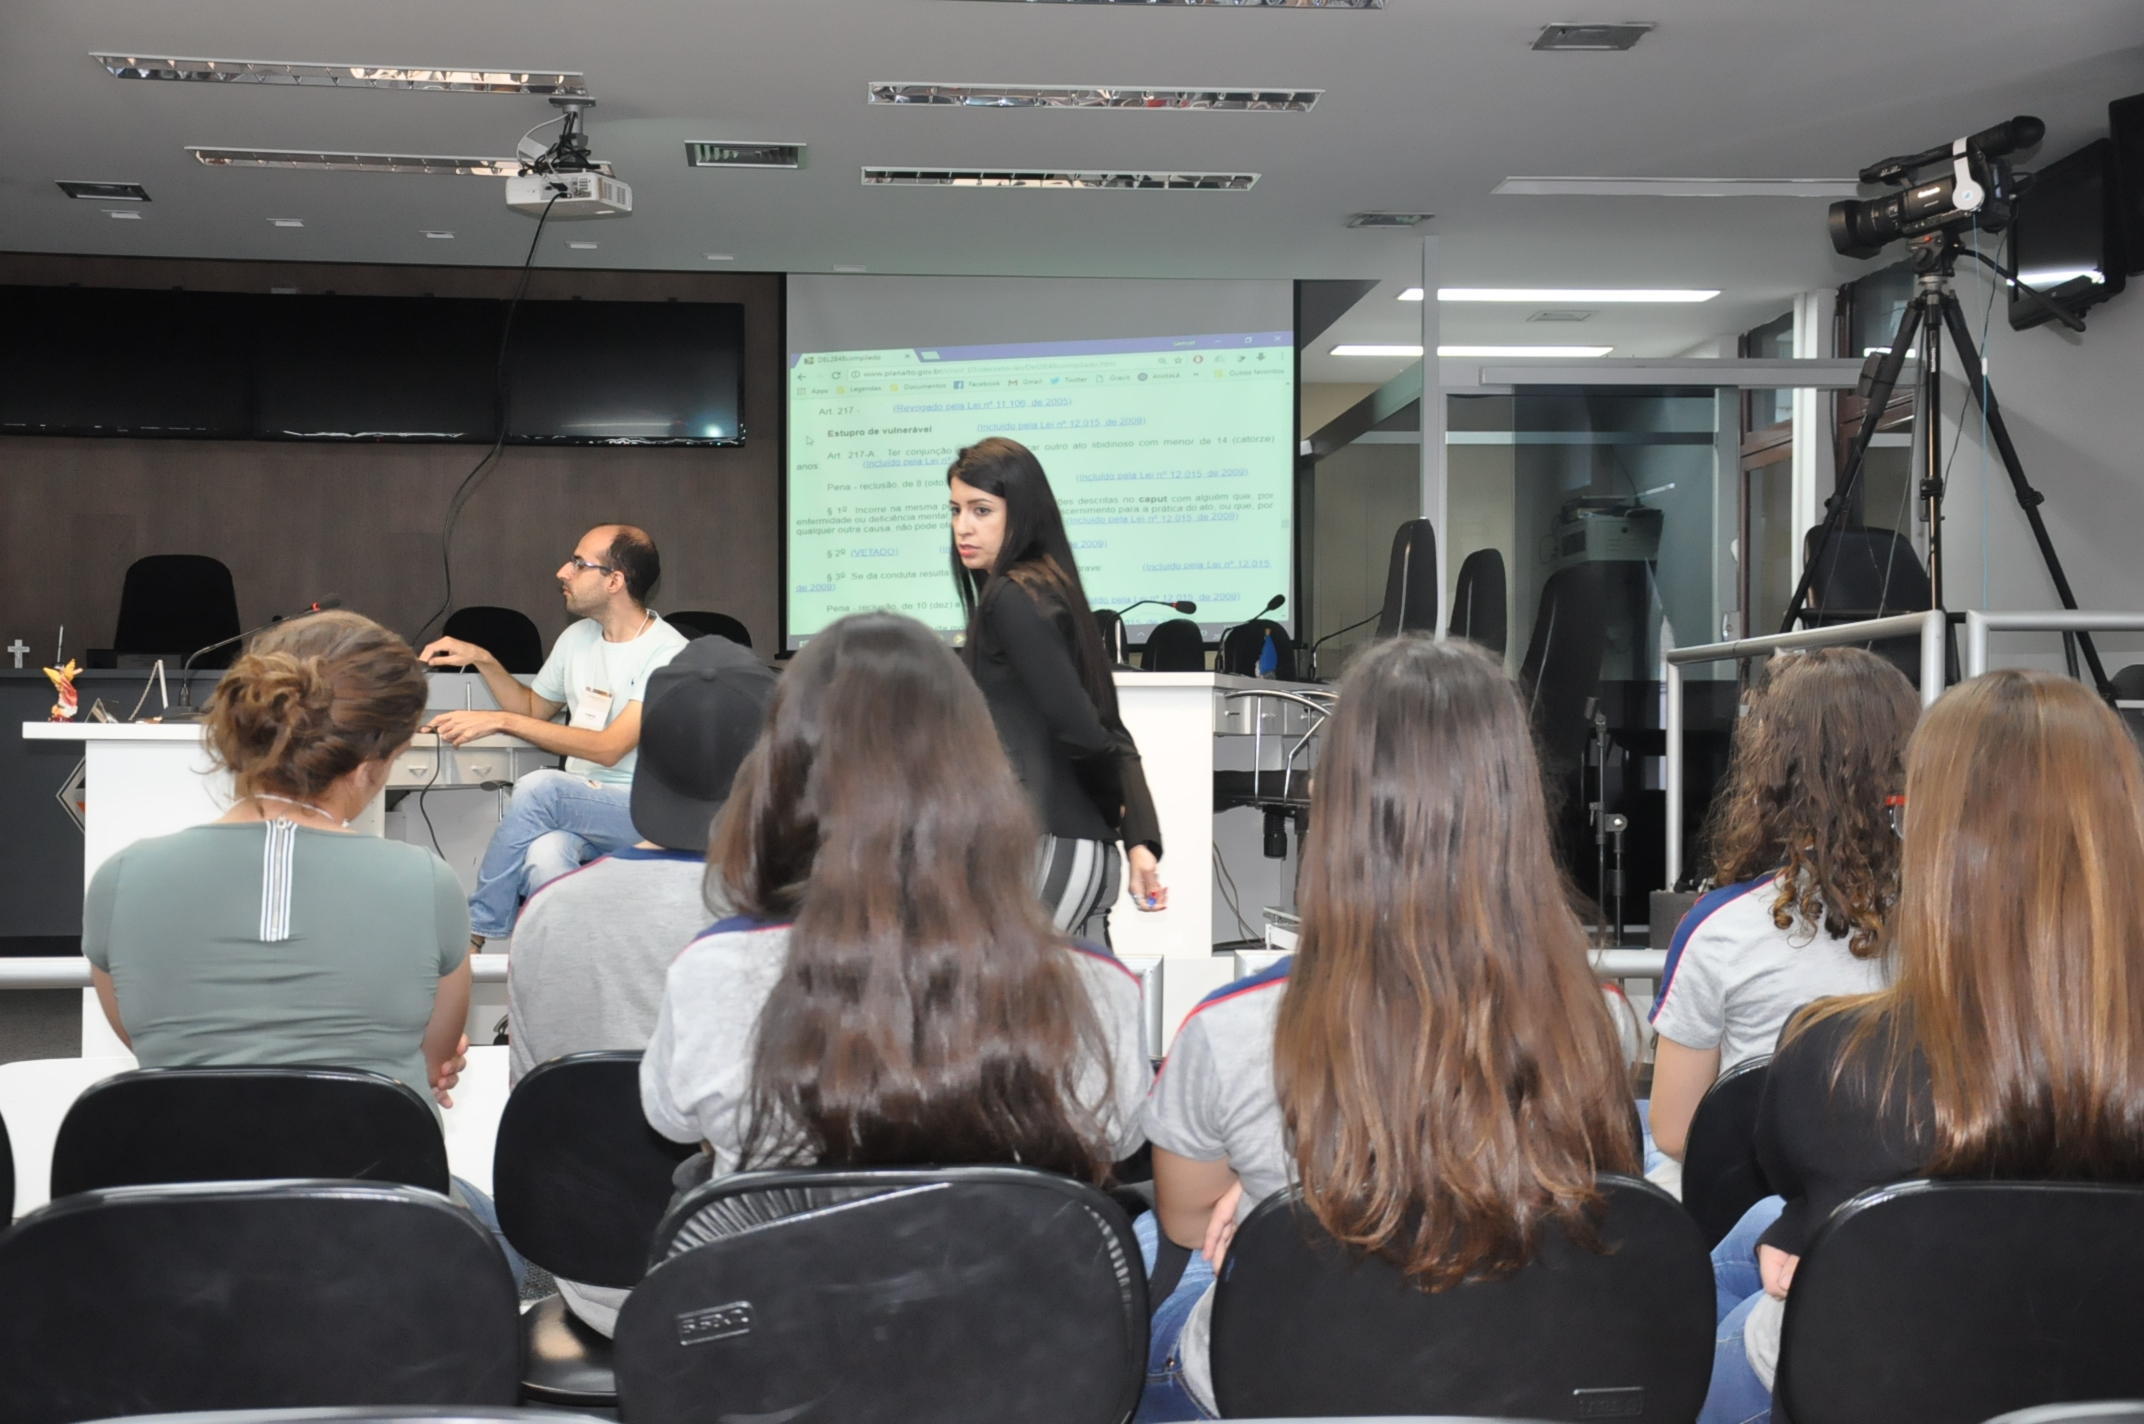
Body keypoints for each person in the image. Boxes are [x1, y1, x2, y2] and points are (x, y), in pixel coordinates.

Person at [1140, 637, 1640, 1421]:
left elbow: (1186, 1220)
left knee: (1156, 1263)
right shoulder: (1600, 1021)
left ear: (1329, 801)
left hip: (1286, 1390)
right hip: (1516, 1386)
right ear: (1515, 808)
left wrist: (1271, 1185)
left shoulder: (1227, 1033)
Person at [1702, 669, 2144, 1424]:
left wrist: (1810, 1215)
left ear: (1940, 847)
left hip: (1883, 1381)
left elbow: (1793, 1170)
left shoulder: (1832, 1057)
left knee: (1714, 1330)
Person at [639, 611, 1150, 1200]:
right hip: (1010, 1292)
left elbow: (672, 1120)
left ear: (778, 779)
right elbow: (1120, 1140)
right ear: (985, 781)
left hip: (786, 1291)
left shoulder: (713, 972)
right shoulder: (1099, 989)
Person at [79, 610, 524, 1274]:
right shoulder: (426, 884)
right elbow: (435, 1064)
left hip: (181, 1246)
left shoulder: (120, 878)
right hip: (374, 1245)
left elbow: (152, 1043)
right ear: (382, 757)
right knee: (517, 1242)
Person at [505, 633, 776, 1336]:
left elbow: (530, 1103)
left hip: (586, 1278)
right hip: (758, 1286)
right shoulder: (804, 930)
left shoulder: (546, 915)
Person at [1646, 647, 1917, 1164]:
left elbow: (1677, 1132)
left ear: (1772, 769)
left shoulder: (1717, 928)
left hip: (1769, 1208)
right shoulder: (1960, 916)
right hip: (1912, 1199)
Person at [419, 524, 689, 945]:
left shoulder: (667, 653)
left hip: (641, 811)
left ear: (615, 581)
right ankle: (572, 968)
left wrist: (500, 721)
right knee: (545, 857)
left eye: (579, 564)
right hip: (580, 803)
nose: (563, 571)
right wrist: (484, 659)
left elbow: (609, 748)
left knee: (541, 787)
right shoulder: (577, 637)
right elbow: (531, 709)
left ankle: (477, 928)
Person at [948, 437, 1165, 943]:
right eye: (956, 509)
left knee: (1003, 1017)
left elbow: (1087, 733)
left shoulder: (1011, 597)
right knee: (1093, 1021)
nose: (963, 526)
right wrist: (1138, 841)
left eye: (982, 510)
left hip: (1043, 850)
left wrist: (1115, 815)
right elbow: (1111, 729)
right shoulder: (1048, 587)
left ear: (1020, 512)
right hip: (1084, 860)